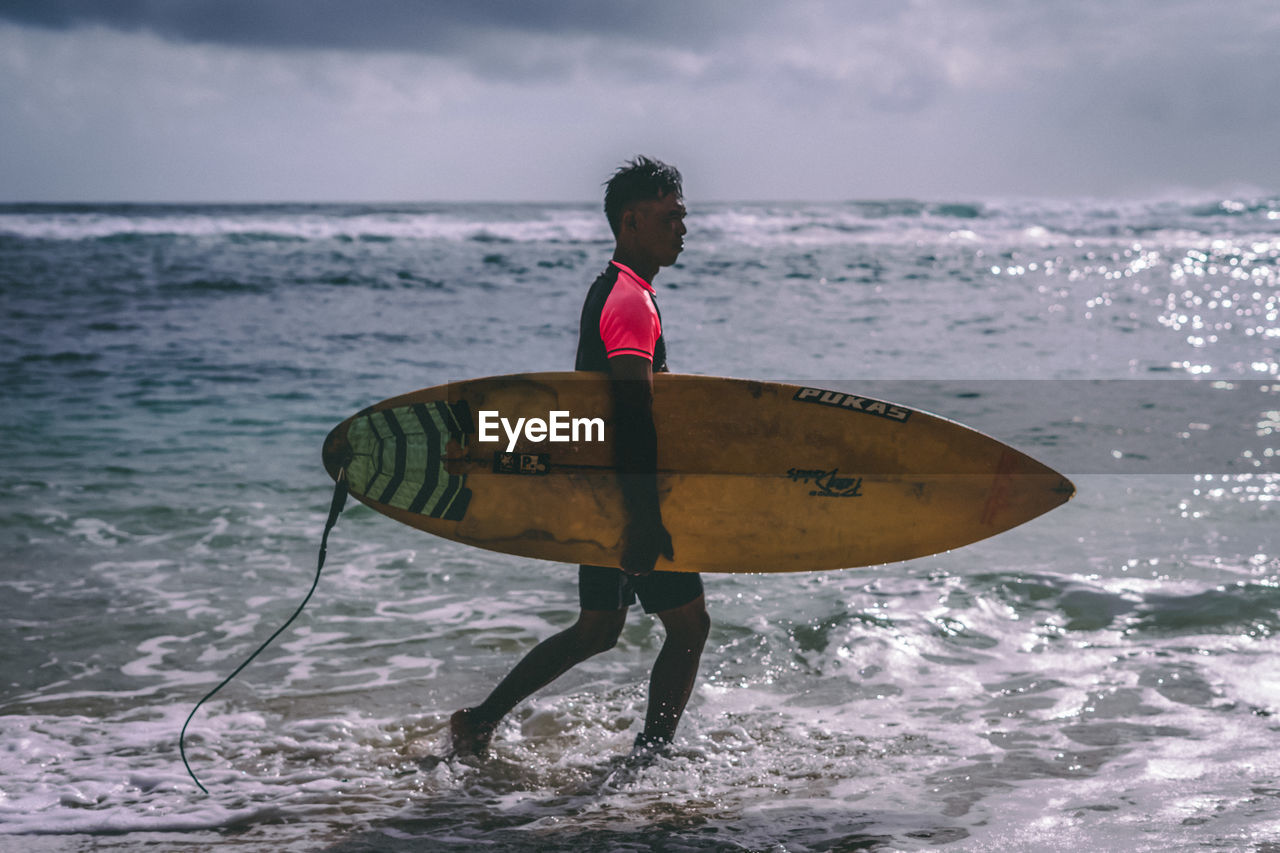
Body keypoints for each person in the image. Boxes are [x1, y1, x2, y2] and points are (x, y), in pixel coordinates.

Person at [450, 156, 710, 758]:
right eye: (670, 217)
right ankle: (651, 755)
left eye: (683, 217)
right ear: (631, 221)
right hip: (625, 499)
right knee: (689, 626)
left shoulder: (616, 289)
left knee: (598, 629)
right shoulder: (628, 302)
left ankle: (479, 721)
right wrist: (645, 518)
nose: (683, 228)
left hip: (603, 492)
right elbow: (632, 416)